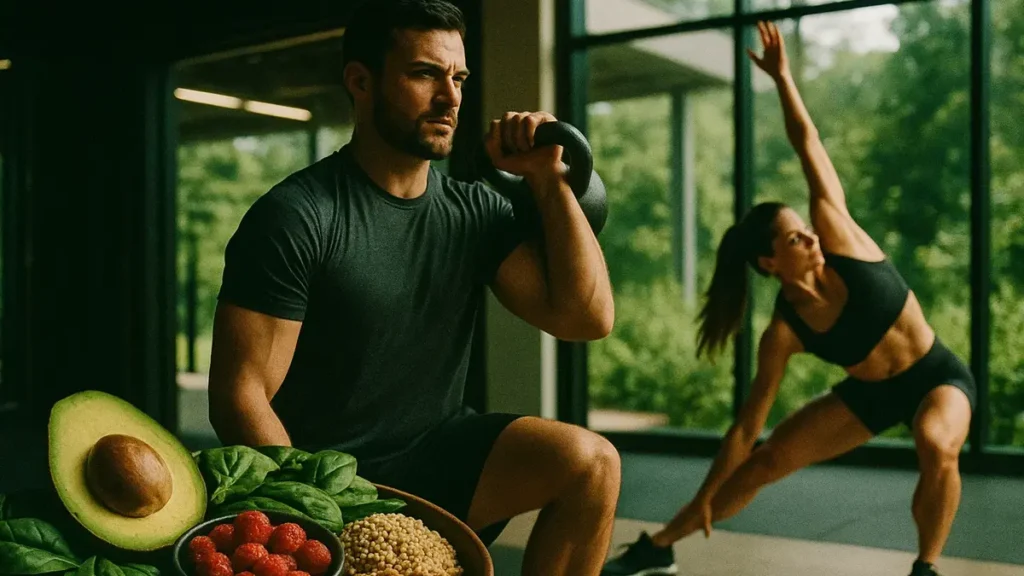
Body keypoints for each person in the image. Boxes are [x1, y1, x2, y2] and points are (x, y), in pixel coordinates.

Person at [205, 1, 620, 574]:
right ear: (361, 82)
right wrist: (325, 514)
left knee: (592, 463)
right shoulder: (297, 216)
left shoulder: (474, 212)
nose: (450, 98)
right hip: (328, 476)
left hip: (436, 449)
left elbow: (586, 318)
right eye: (425, 74)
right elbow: (240, 396)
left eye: (459, 77)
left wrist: (548, 180)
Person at [601, 20, 975, 576]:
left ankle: (925, 567)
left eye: (807, 230)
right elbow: (745, 429)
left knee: (934, 441)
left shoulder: (840, 236)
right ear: (770, 263)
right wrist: (709, 491)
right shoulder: (784, 331)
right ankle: (660, 546)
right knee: (762, 462)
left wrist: (782, 78)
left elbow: (808, 144)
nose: (810, 236)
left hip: (937, 376)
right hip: (870, 396)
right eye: (794, 237)